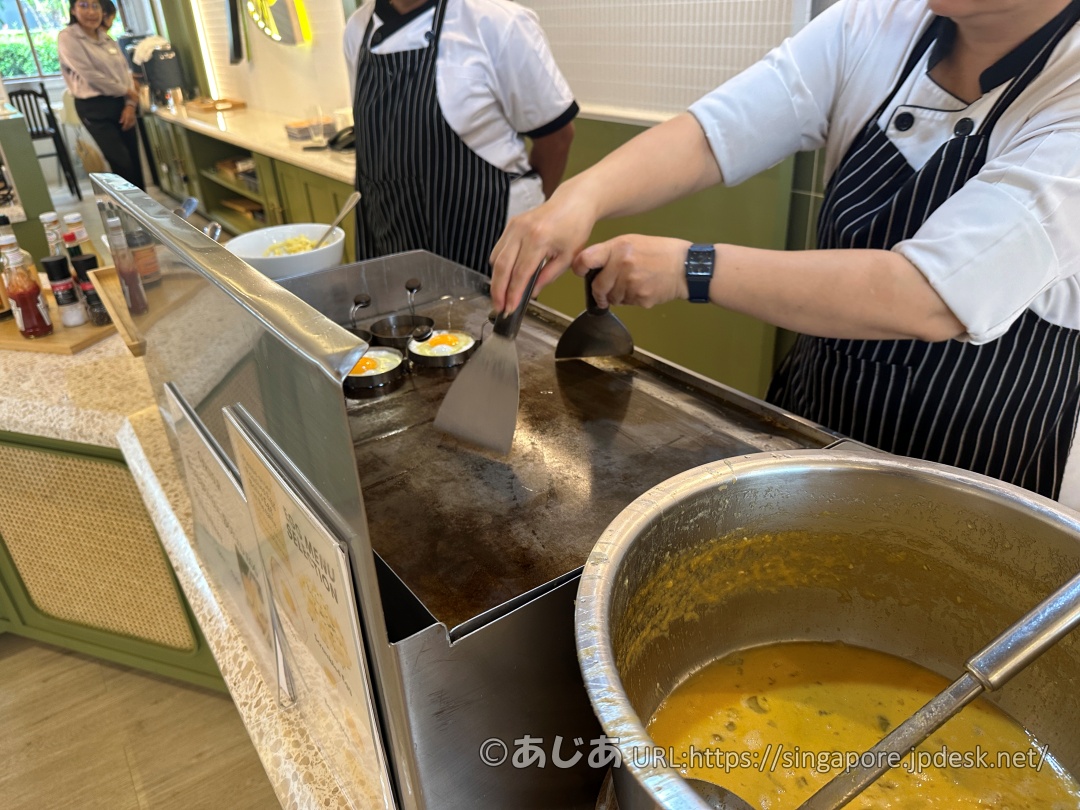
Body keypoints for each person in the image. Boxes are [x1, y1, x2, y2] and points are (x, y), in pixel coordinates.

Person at [490, 0, 1080, 508]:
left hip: (965, 457)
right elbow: (715, 134)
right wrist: (580, 197)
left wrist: (690, 268)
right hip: (818, 409)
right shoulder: (878, 20)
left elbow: (928, 295)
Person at [343, 0, 578, 275]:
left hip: (483, 239)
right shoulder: (357, 29)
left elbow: (556, 138)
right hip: (388, 234)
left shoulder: (498, 22)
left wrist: (535, 215)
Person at [57, 0, 145, 189]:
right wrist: (129, 92)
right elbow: (91, 75)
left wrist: (130, 104)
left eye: (95, 6)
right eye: (84, 5)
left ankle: (146, 214)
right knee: (122, 164)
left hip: (122, 104)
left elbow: (125, 72)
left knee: (135, 161)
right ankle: (130, 214)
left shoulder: (106, 38)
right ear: (73, 10)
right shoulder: (68, 37)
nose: (91, 12)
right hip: (94, 108)